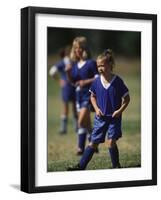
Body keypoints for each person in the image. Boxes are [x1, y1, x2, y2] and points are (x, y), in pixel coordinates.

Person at [67, 49, 130, 170]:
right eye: (98, 65)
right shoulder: (96, 81)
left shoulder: (118, 81)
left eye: (102, 65)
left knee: (111, 142)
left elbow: (127, 99)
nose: (100, 68)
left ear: (110, 64)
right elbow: (92, 96)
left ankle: (116, 166)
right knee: (93, 142)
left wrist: (119, 111)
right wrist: (96, 109)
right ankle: (81, 166)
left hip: (114, 118)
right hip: (100, 118)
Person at [66, 36, 99, 155]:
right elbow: (73, 82)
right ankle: (93, 144)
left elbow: (97, 78)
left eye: (79, 48)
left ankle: (80, 148)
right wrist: (68, 73)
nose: (77, 50)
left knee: (80, 122)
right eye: (75, 48)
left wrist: (85, 82)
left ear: (84, 49)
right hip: (78, 96)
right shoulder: (74, 65)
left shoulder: (91, 63)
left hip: (89, 95)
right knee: (86, 123)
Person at [49, 46, 77, 134]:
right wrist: (59, 81)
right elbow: (52, 72)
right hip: (68, 87)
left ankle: (70, 128)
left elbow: (52, 72)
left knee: (70, 107)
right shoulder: (66, 62)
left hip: (72, 87)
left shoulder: (72, 62)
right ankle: (67, 128)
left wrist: (59, 81)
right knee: (70, 107)